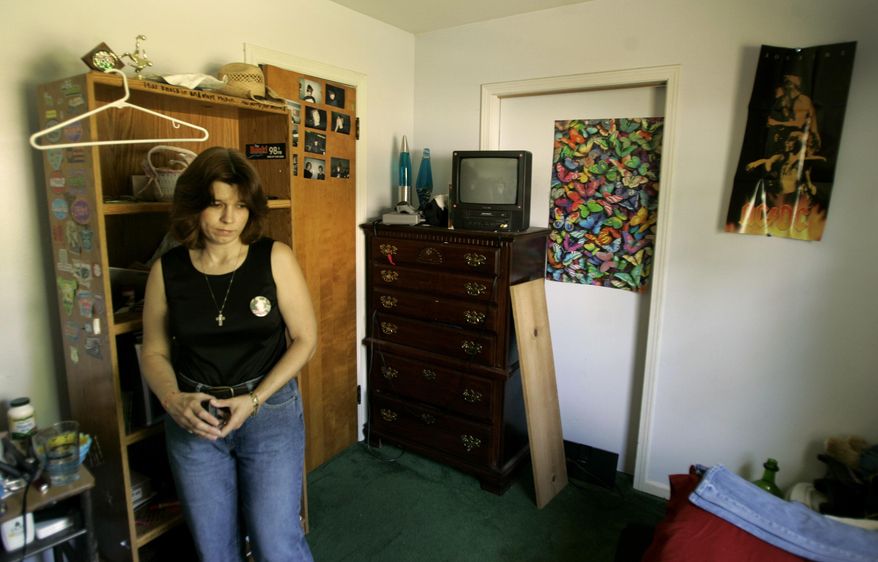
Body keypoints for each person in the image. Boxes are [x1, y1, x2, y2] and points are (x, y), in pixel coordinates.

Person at [140, 147, 317, 561]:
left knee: (277, 542)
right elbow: (153, 350)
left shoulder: (274, 257)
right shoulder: (166, 271)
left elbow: (306, 338)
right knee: (215, 549)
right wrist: (173, 400)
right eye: (216, 204)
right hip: (196, 416)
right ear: (194, 206)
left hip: (268, 409)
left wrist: (254, 399)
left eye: (239, 206)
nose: (228, 219)